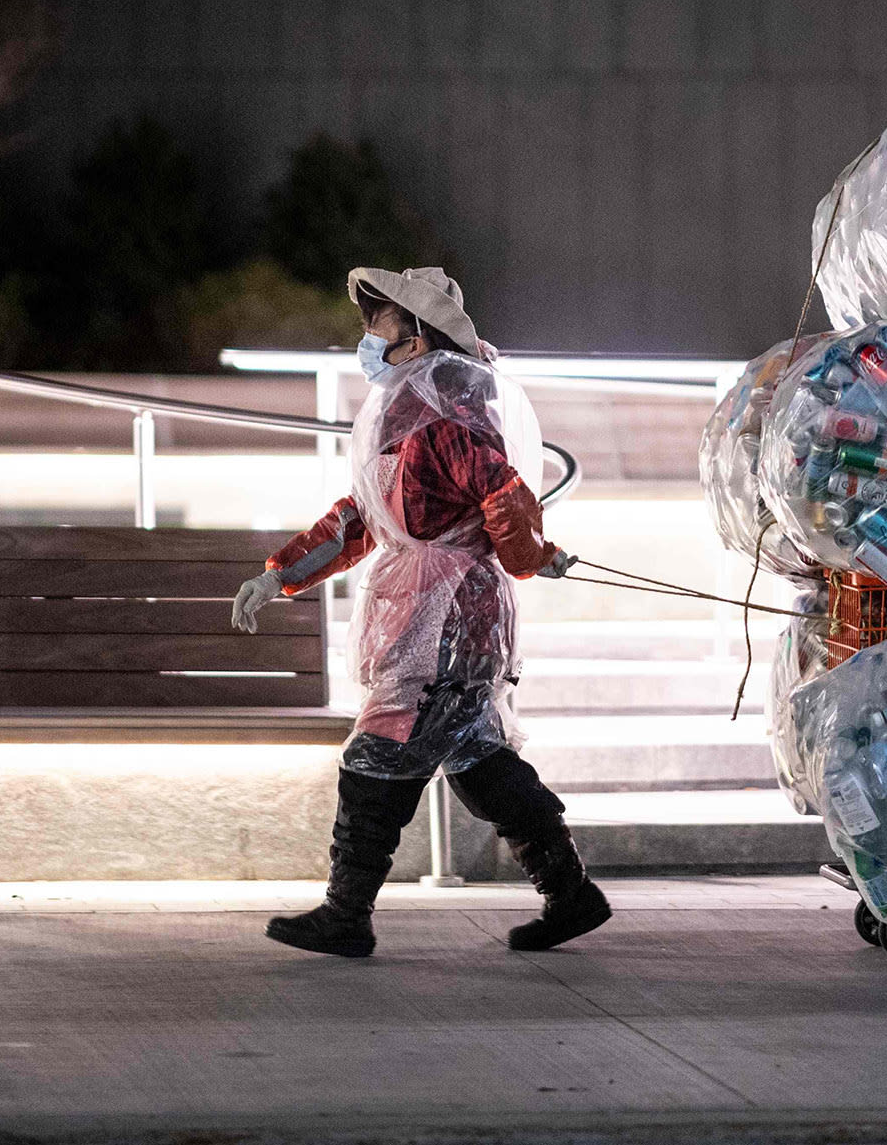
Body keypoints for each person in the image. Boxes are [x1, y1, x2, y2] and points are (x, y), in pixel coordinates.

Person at [230, 266, 611, 958]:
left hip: (448, 617)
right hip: (432, 609)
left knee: (379, 752)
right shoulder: (412, 411)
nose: (366, 335)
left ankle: (347, 914)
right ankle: (571, 893)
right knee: (476, 755)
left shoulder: (442, 415)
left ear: (416, 330)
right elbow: (366, 517)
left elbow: (502, 491)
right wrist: (281, 573)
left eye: (377, 321)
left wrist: (531, 554)